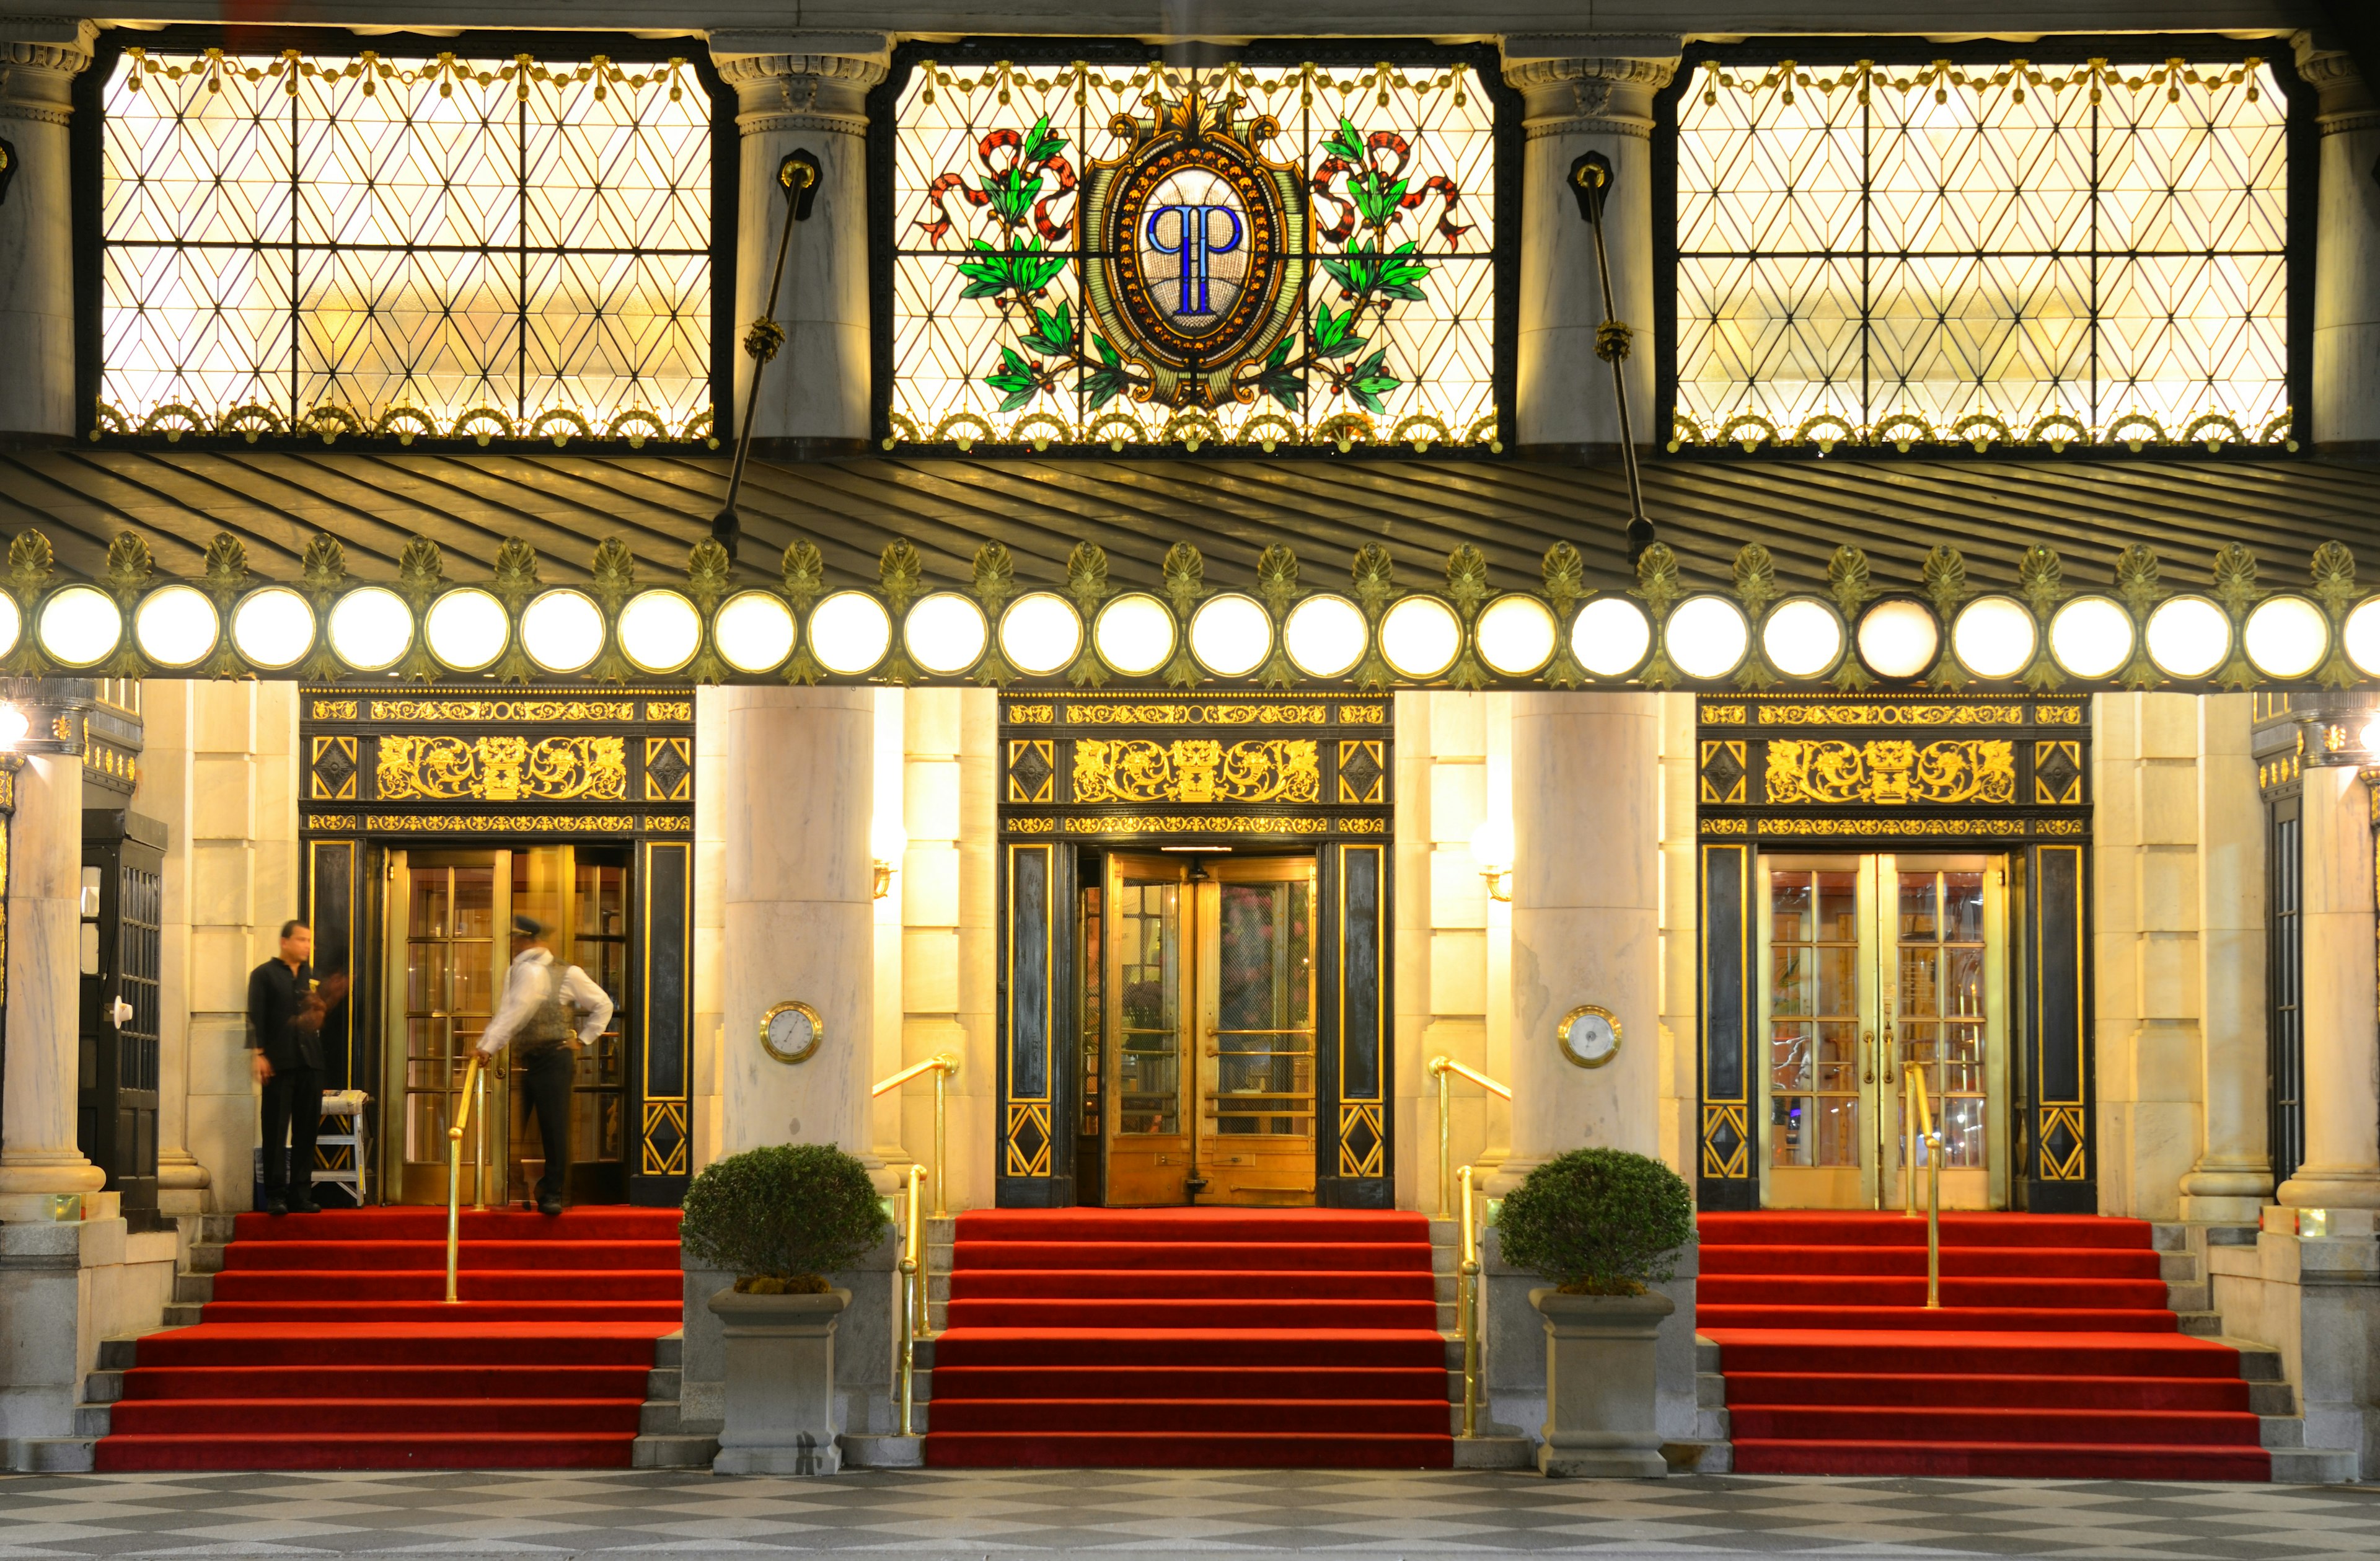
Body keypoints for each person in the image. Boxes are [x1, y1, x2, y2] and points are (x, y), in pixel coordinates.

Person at [479, 914, 614, 1215]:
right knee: (516, 1129)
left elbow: (603, 1004)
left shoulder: (567, 973)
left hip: (554, 1058)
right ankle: (518, 1189)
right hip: (525, 1058)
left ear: (531, 940)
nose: (513, 944)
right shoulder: (517, 971)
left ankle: (552, 1192)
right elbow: (509, 1012)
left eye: (517, 939)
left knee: (554, 1127)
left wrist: (583, 1039)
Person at [247, 919, 345, 1217]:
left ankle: (300, 1194)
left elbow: (316, 1021)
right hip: (279, 1063)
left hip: (311, 1062)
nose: (308, 946)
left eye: (310, 941)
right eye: (302, 940)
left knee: (306, 1132)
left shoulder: (310, 978)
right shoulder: (263, 975)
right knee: (275, 1130)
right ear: (285, 942)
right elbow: (255, 1017)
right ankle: (275, 1195)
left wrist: (324, 1004)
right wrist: (259, 1054)